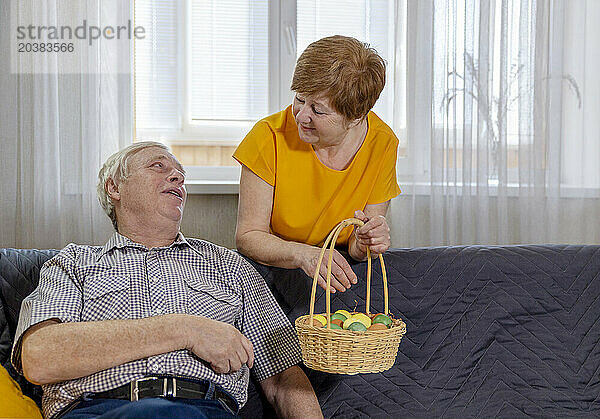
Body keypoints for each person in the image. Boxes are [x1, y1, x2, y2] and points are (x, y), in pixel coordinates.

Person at [12, 141, 322, 419]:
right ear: (115, 188)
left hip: (205, 410)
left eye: (180, 173)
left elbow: (283, 378)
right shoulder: (74, 263)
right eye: (158, 166)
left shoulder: (230, 266)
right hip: (98, 410)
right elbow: (39, 358)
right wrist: (185, 329)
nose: (177, 177)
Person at [234, 35, 401, 294]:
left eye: (318, 110)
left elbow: (359, 249)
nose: (301, 116)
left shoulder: (383, 143)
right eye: (300, 99)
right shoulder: (267, 136)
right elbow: (248, 237)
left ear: (356, 117)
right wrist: (306, 256)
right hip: (274, 271)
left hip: (340, 273)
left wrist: (368, 241)